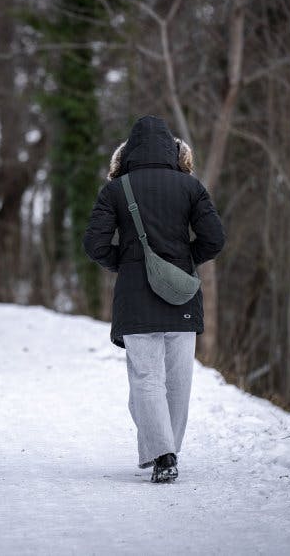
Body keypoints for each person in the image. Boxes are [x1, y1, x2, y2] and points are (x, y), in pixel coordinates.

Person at [82, 115, 225, 483]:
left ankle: (162, 455)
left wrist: (127, 264)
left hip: (135, 298)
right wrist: (184, 262)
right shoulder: (190, 187)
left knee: (146, 378)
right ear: (174, 151)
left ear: (127, 153)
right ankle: (168, 452)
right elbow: (214, 239)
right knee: (178, 381)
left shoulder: (116, 190)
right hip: (181, 295)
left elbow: (94, 244)